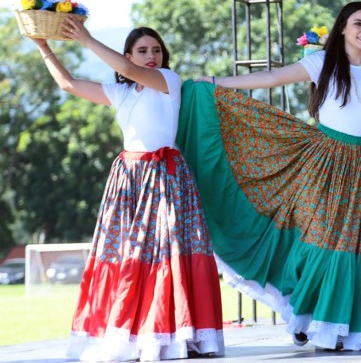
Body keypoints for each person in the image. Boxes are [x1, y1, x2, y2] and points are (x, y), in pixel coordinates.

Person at [178, 1, 361, 351]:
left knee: (360, 244)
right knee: (326, 243)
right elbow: (271, 78)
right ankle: (308, 317)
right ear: (342, 27)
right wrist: (215, 81)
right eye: (358, 23)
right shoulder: (323, 62)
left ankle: (345, 327)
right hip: (327, 160)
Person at [32, 18, 224, 361]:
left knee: (167, 253)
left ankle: (172, 334)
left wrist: (88, 40)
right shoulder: (120, 92)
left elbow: (124, 68)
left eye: (156, 50)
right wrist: (44, 47)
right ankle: (133, 336)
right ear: (130, 54)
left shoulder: (168, 80)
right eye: (142, 51)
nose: (151, 55)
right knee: (128, 255)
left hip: (164, 177)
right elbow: (69, 84)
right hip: (128, 179)